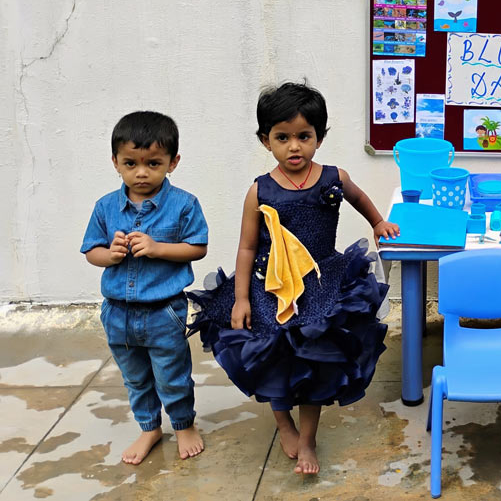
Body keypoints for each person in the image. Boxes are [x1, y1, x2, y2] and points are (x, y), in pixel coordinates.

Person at [187, 82, 397, 475]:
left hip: (321, 282)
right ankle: (284, 423)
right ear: (265, 140)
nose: (294, 147)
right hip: (270, 286)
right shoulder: (260, 191)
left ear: (319, 137)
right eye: (282, 138)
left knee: (316, 360)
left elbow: (359, 198)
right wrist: (241, 298)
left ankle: (308, 438)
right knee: (274, 359)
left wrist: (378, 222)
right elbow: (247, 247)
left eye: (304, 136)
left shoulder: (334, 178)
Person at [81, 111, 208, 465]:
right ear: (115, 162)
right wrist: (110, 255)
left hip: (163, 310)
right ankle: (149, 428)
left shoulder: (184, 204)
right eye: (130, 163)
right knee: (135, 378)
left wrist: (157, 248)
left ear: (172, 162)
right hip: (117, 313)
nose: (141, 172)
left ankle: (183, 425)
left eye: (153, 163)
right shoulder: (105, 207)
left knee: (172, 376)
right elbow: (91, 251)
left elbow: (198, 247)